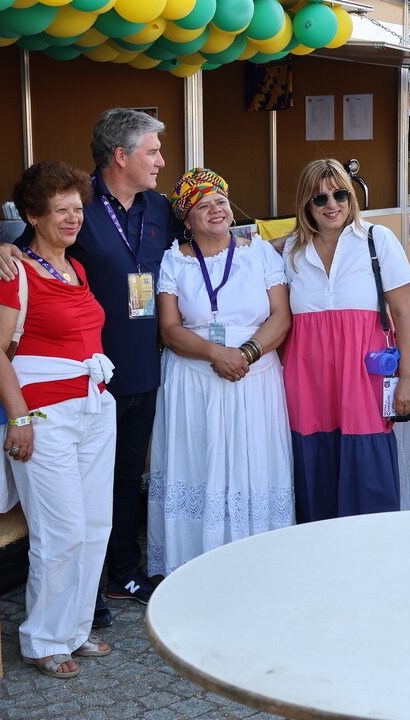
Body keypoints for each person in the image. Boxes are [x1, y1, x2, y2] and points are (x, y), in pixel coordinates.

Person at [0, 109, 183, 622]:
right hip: (83, 378)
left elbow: (210, 233)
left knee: (124, 480)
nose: (161, 161)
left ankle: (123, 571)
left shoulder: (160, 207)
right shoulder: (78, 204)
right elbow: (28, 253)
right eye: (153, 151)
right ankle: (81, 596)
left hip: (142, 366)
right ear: (121, 156)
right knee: (77, 496)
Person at [0, 160, 115, 679]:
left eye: (77, 208)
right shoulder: (13, 272)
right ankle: (42, 638)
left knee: (95, 526)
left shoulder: (76, 268)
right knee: (61, 531)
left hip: (94, 406)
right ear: (33, 216)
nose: (73, 218)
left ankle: (74, 629)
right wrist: (18, 419)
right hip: (43, 415)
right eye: (61, 210)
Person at [147, 168, 294, 576]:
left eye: (221, 201)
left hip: (254, 377)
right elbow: (169, 329)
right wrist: (216, 354)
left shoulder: (260, 254)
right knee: (199, 465)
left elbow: (281, 317)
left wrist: (245, 353)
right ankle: (194, 567)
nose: (216, 210)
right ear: (187, 218)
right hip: (194, 381)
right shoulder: (174, 261)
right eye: (203, 205)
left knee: (254, 465)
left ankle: (258, 563)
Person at [281, 159, 410, 522]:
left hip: (363, 376)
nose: (332, 205)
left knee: (369, 469)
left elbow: (404, 314)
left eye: (340, 194)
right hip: (307, 380)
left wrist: (408, 378)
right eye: (320, 198)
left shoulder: (376, 239)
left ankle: (371, 548)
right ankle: (319, 547)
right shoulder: (291, 250)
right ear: (306, 204)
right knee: (314, 469)